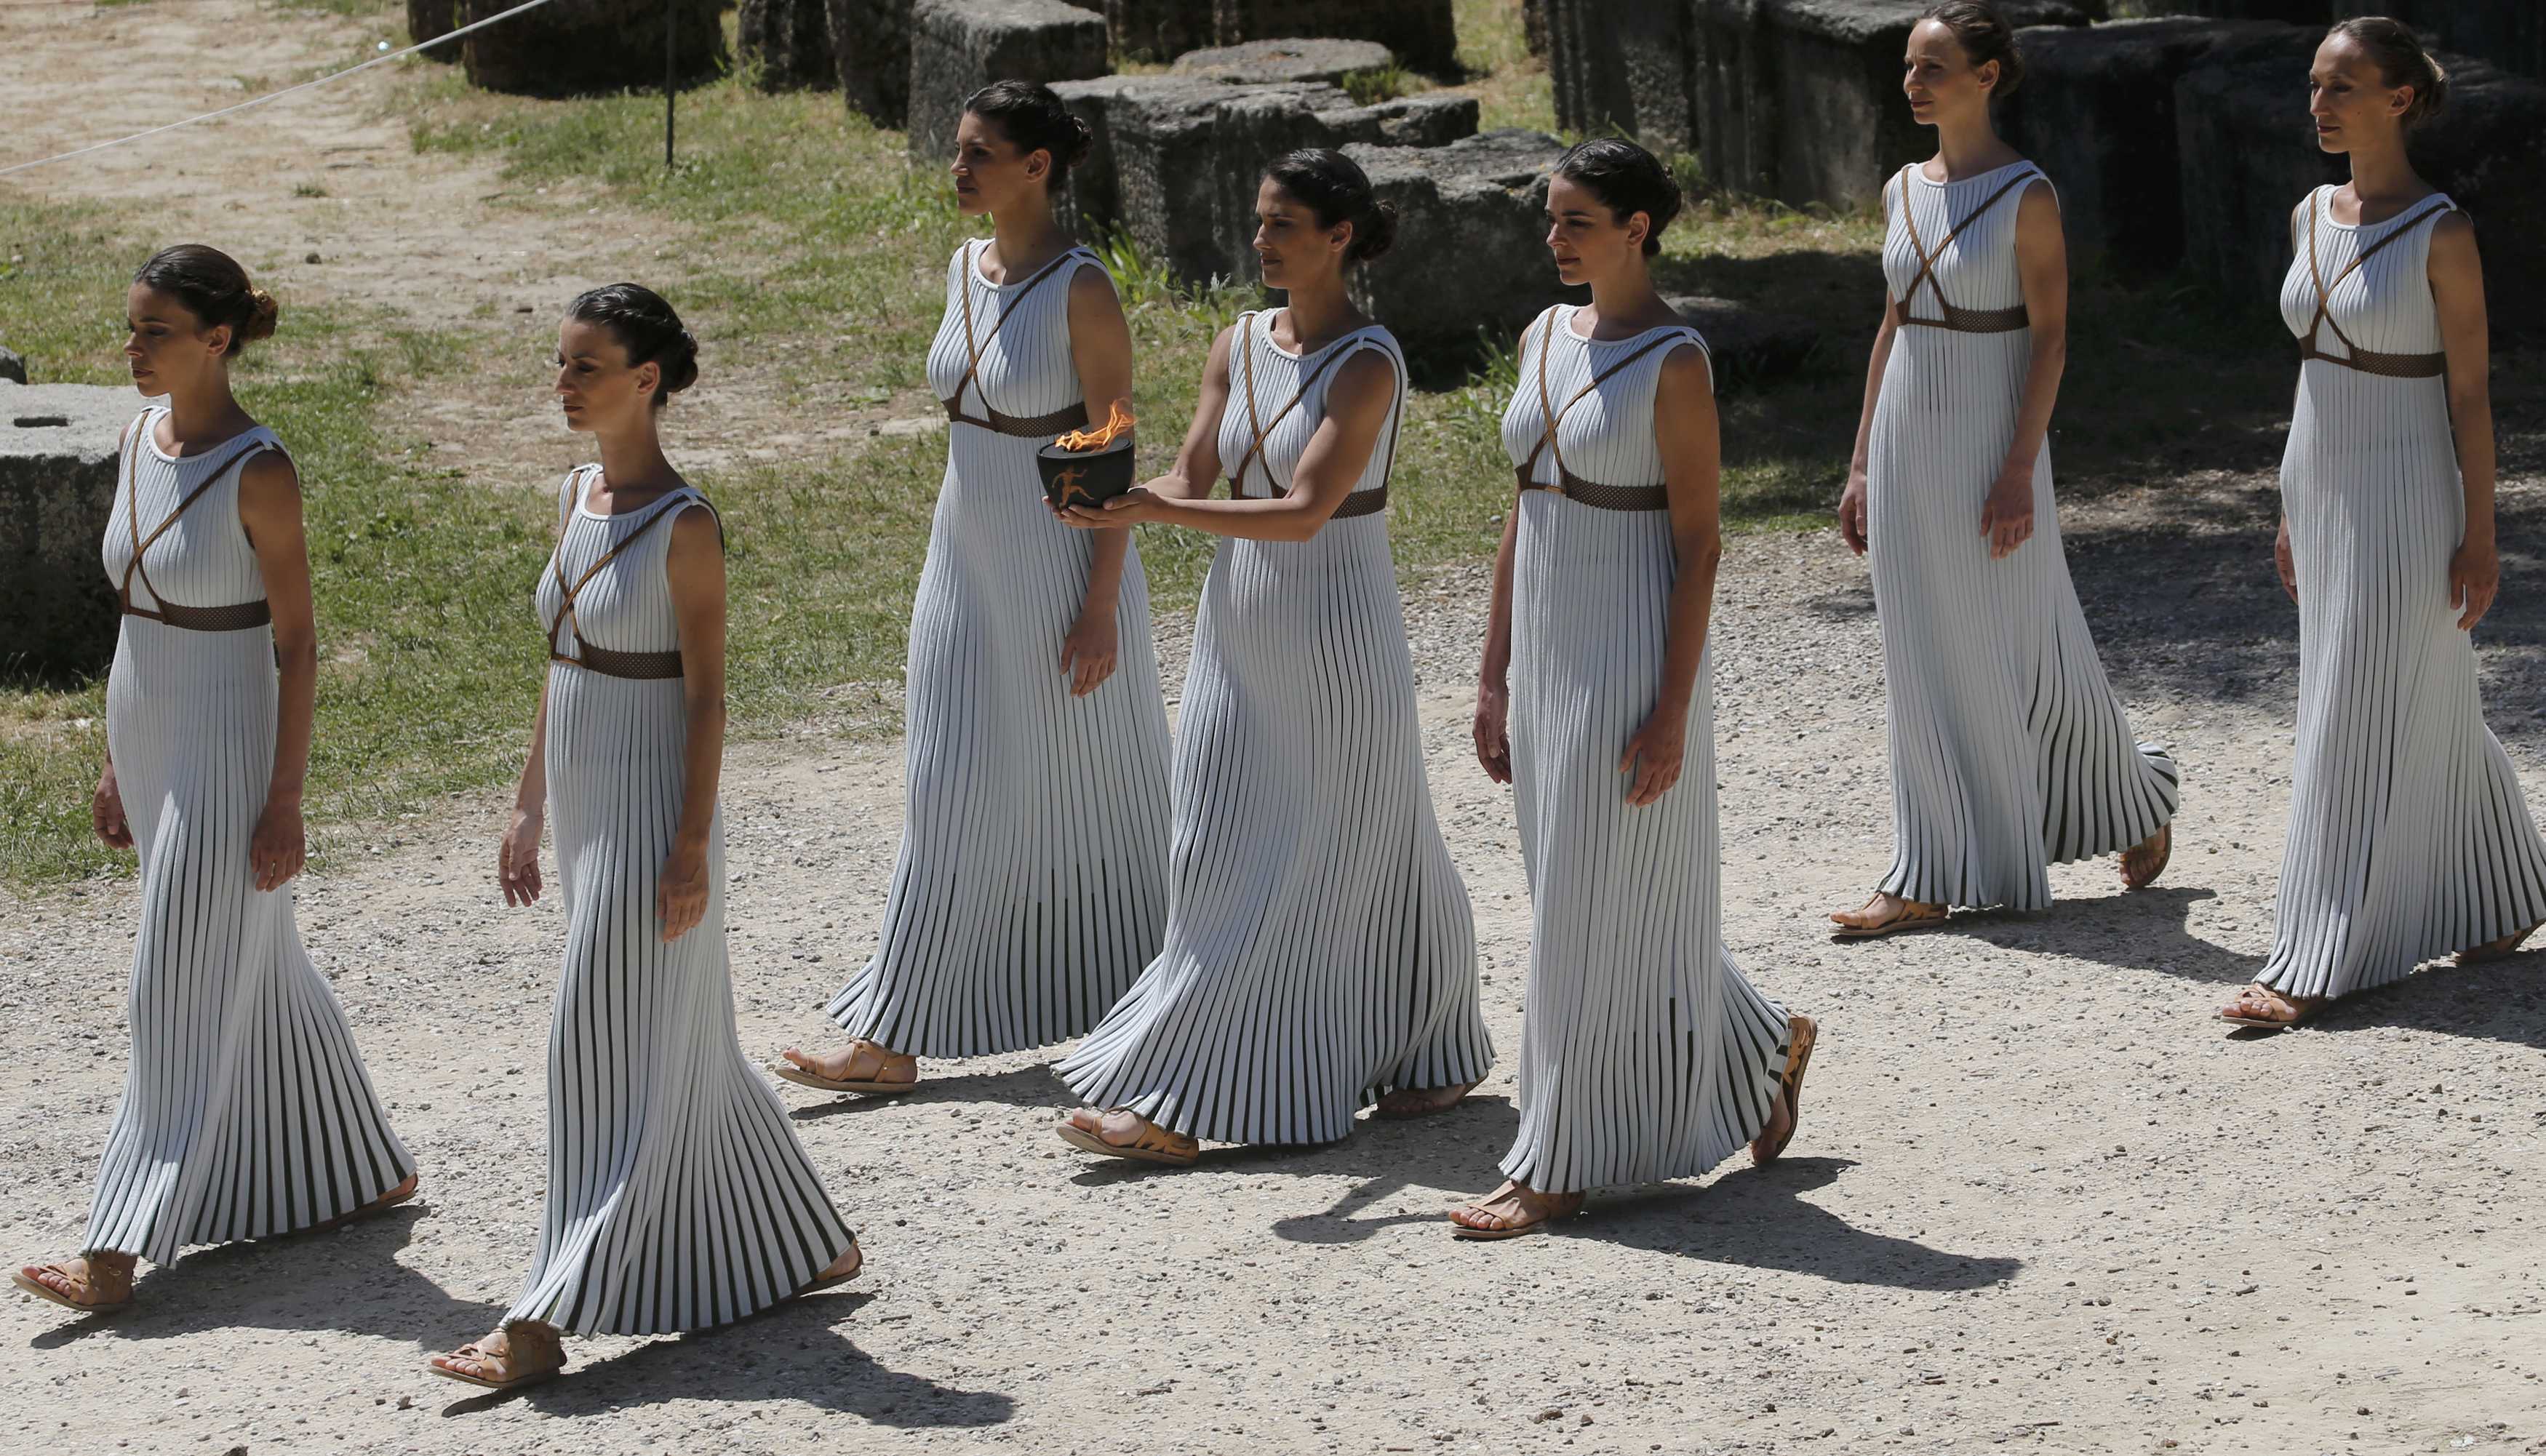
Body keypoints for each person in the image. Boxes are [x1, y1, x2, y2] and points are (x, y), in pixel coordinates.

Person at [430, 286, 857, 1389]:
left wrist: (688, 850)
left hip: (654, 811)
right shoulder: (577, 493)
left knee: (591, 1045)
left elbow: (710, 700)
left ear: (645, 381)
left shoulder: (686, 525)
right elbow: (564, 656)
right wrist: (528, 802)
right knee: (685, 1041)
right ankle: (806, 1240)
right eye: (561, 363)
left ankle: (539, 1317)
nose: (562, 385)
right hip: (582, 796)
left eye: (585, 367)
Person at [1049, 149, 1490, 1165]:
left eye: (1284, 224)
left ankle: (1189, 1093)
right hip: (1237, 623)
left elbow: (1301, 514)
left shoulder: (1370, 361)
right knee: (1224, 838)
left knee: (1325, 848)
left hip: (1335, 619)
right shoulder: (1238, 342)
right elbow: (1191, 469)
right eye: (1260, 221)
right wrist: (1111, 489)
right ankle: (1433, 1040)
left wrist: (1162, 508)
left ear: (1339, 237)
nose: (1262, 241)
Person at [12, 247, 416, 1316]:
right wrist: (114, 755)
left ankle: (115, 1245)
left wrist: (284, 796)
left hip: (231, 745)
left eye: (155, 331)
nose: (133, 347)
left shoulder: (259, 467)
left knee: (170, 982)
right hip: (149, 723)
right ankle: (359, 1166)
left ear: (218, 339)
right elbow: (136, 610)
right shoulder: (135, 435)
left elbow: (300, 642)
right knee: (254, 956)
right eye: (132, 327)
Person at [777, 81, 1170, 1097]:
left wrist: (1099, 600)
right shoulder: (964, 268)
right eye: (959, 150)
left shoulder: (1082, 286)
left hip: (1058, 563)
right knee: (945, 779)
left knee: (1093, 790)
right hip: (964, 555)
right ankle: (896, 1029)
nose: (958, 169)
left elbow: (1113, 442)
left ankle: (1154, 995)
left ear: (1036, 167)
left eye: (979, 154)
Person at [1456, 140, 1813, 1239]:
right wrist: (1491, 671)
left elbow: (1700, 546)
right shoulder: (1540, 334)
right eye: (1552, 221)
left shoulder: (1676, 360)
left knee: (1588, 902)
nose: (1556, 240)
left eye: (1577, 222)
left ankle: (1559, 1160)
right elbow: (1526, 505)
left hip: (1629, 652)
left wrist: (1670, 709)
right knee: (1582, 889)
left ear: (1636, 230)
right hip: (1550, 645)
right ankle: (1762, 1041)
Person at [2219, 19, 2546, 1028]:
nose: (2320, 103)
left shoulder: (2441, 228)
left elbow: (2472, 397)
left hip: (2409, 488)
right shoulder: (2308, 212)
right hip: (2322, 482)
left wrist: (2479, 532)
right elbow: (2310, 373)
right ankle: (2508, 886)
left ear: (2399, 98)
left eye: (2343, 86)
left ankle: (2317, 954)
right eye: (2316, 86)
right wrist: (2286, 500)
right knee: (2424, 688)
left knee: (2354, 702)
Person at [1829, 1, 2179, 938]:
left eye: (1933, 66)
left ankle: (2134, 796)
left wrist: (2020, 466)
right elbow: (1893, 323)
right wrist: (1862, 460)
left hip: (1992, 431)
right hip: (1908, 426)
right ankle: (1927, 868)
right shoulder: (1902, 189)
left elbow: (2052, 340)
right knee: (1919, 642)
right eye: (1909, 66)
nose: (1914, 81)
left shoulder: (2027, 194)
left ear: (1986, 77)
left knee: (2030, 634)